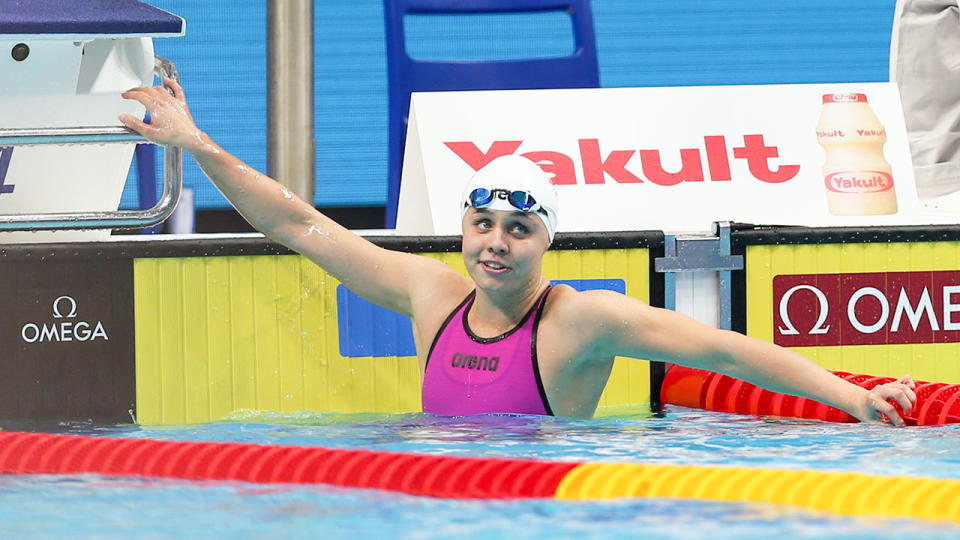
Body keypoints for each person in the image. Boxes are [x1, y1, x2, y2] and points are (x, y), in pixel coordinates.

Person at [120, 79, 917, 424]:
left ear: (548, 240)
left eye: (519, 230)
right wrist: (196, 142)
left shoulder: (580, 322)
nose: (495, 245)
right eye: (482, 225)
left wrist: (848, 397)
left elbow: (724, 350)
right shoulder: (433, 296)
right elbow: (299, 226)